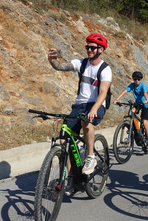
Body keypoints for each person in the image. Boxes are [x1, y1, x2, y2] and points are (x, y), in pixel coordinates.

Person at [47, 33, 112, 193]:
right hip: (79, 105)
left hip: (96, 104)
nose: (89, 49)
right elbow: (60, 66)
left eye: (92, 47)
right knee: (65, 141)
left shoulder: (105, 69)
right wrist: (52, 60)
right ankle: (71, 179)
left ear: (101, 50)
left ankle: (91, 156)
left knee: (86, 121)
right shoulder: (81, 63)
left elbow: (103, 91)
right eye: (87, 46)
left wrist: (95, 108)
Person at [113, 71, 148, 147]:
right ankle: (134, 127)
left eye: (138, 79)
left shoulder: (143, 85)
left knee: (144, 122)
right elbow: (124, 91)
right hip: (138, 103)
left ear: (140, 79)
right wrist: (116, 99)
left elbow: (145, 93)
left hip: (146, 104)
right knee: (132, 111)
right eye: (135, 79)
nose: (136, 81)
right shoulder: (132, 85)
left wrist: (146, 100)